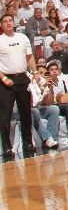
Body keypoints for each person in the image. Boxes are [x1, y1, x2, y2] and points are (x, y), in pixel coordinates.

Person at [0, 13, 37, 160]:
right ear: (1, 25)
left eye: (10, 21)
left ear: (14, 23)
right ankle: (7, 147)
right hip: (5, 81)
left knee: (26, 113)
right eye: (5, 21)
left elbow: (29, 57)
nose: (8, 23)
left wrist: (35, 72)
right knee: (5, 116)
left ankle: (28, 143)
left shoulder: (23, 38)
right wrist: (3, 78)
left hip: (22, 78)